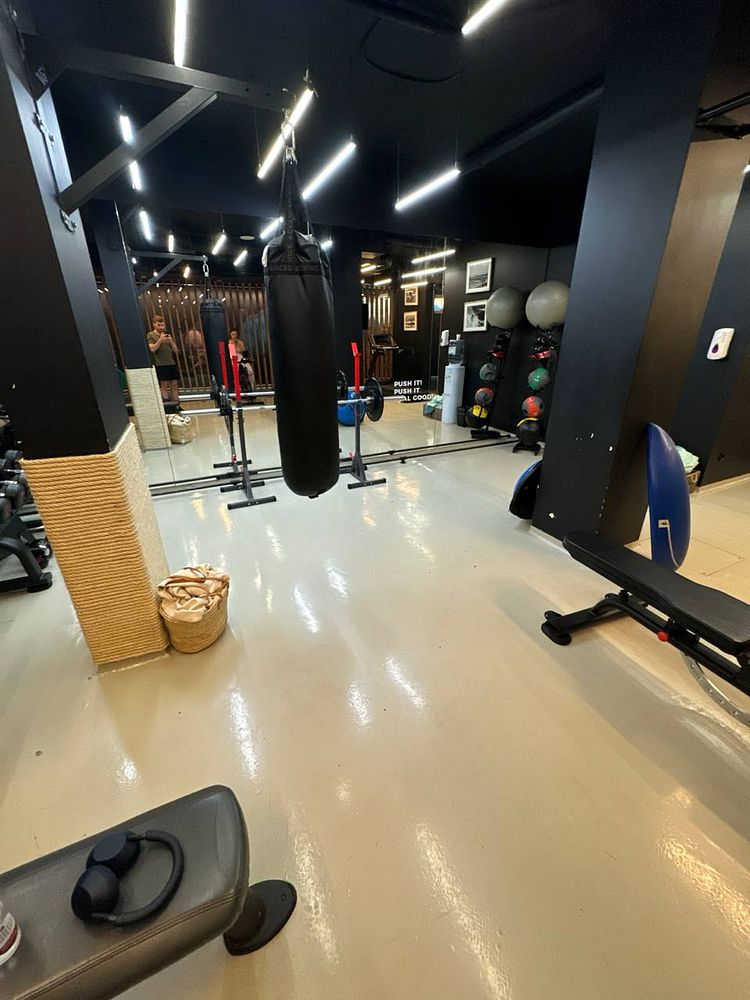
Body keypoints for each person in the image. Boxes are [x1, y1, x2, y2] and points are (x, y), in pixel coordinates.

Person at [147, 315, 179, 404]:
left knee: (174, 385)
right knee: (164, 385)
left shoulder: (167, 335)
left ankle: (176, 404)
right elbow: (152, 349)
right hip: (160, 364)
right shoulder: (150, 335)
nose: (161, 327)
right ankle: (167, 405)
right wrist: (160, 339)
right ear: (154, 324)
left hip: (171, 363)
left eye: (162, 325)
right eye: (159, 325)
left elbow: (176, 350)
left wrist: (171, 341)